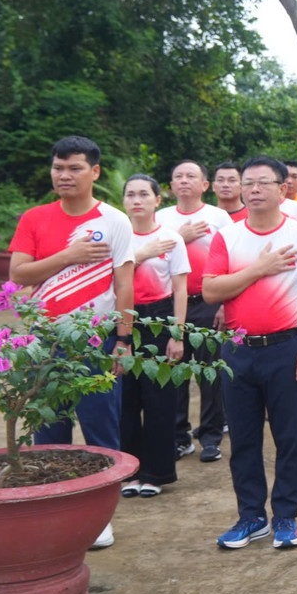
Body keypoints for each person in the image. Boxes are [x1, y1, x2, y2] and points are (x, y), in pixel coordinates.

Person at [9, 135, 136, 550]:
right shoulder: (34, 218)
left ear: (94, 172)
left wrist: (123, 339)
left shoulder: (115, 221)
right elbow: (19, 276)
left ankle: (100, 520)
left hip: (97, 342)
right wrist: (70, 255)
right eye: (58, 167)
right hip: (42, 342)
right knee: (48, 430)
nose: (64, 175)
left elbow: (124, 284)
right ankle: (54, 515)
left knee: (102, 432)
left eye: (75, 168)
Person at [204, 156, 297, 550]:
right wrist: (260, 268)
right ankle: (252, 516)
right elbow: (211, 292)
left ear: (282, 189)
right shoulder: (228, 237)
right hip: (237, 351)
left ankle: (286, 517)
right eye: (248, 183)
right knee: (242, 439)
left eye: (263, 183)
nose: (254, 190)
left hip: (286, 349)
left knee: (290, 438)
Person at [159, 160, 234, 463]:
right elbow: (152, 254)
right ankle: (179, 436)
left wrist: (226, 304)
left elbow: (233, 259)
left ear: (205, 185)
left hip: (208, 303)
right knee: (175, 371)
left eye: (192, 176)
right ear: (171, 185)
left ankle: (211, 435)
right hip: (171, 304)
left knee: (210, 373)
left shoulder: (219, 217)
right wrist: (181, 236)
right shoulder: (161, 217)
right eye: (178, 176)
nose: (184, 181)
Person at [120, 174, 190, 498]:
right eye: (131, 194)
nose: (137, 200)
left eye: (144, 194)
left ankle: (156, 472)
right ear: (123, 201)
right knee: (126, 398)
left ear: (157, 200)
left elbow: (180, 288)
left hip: (160, 318)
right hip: (123, 318)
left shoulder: (172, 237)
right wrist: (144, 253)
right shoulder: (117, 237)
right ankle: (130, 471)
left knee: (159, 396)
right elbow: (112, 282)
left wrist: (177, 334)